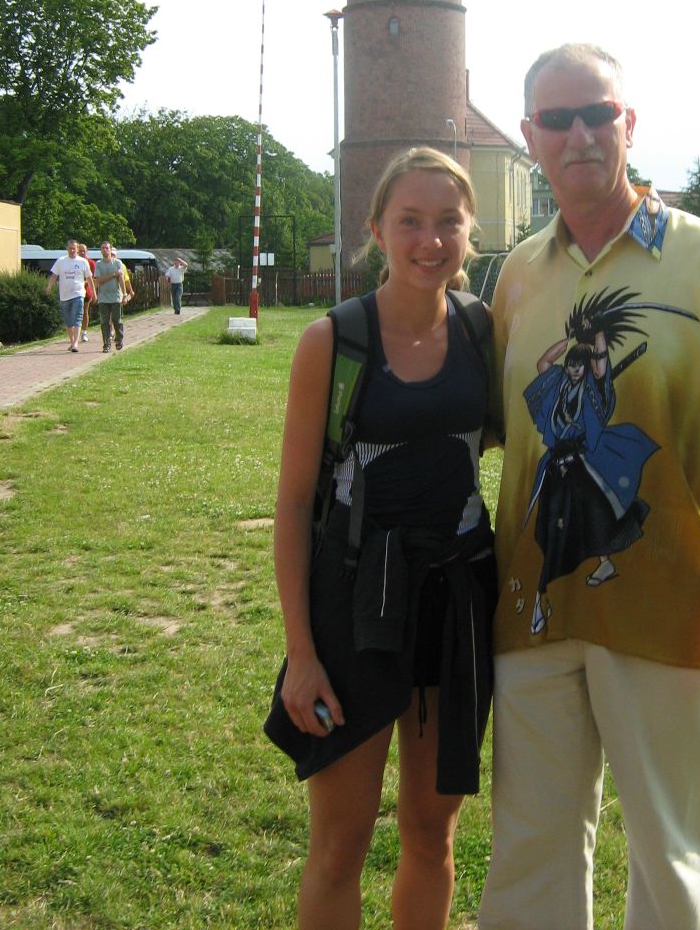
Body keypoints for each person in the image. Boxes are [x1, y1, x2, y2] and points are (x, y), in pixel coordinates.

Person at [477, 44, 700, 930]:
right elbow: (491, 428)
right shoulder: (517, 275)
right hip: (533, 613)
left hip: (674, 615)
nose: (580, 135)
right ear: (530, 138)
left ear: (629, 123)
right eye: (558, 120)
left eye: (598, 114)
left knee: (669, 853)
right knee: (531, 848)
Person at [267, 147, 496, 930]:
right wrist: (302, 655)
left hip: (454, 605)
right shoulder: (334, 341)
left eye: (448, 222)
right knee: (341, 845)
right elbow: (294, 505)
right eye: (409, 221)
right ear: (376, 231)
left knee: (432, 835)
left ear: (470, 231)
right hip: (354, 607)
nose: (430, 240)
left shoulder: (483, 331)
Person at [46, 239, 97, 353]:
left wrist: (94, 293)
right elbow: (54, 275)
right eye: (70, 248)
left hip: (78, 293)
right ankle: (72, 341)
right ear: (67, 249)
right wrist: (49, 286)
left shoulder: (83, 262)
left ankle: (75, 343)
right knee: (68, 321)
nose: (72, 250)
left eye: (74, 248)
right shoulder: (61, 261)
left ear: (77, 249)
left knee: (78, 317)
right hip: (64, 295)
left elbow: (89, 278)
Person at [94, 241, 126, 353]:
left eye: (107, 248)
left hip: (115, 297)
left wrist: (124, 294)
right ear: (101, 250)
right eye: (103, 248)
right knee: (104, 322)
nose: (105, 250)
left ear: (110, 249)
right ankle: (106, 343)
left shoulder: (117, 263)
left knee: (117, 320)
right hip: (103, 298)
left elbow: (121, 279)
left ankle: (119, 339)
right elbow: (98, 280)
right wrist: (113, 275)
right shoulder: (98, 264)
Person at [76, 243, 95, 343]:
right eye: (80, 251)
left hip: (86, 291)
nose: (82, 253)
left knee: (84, 311)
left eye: (84, 251)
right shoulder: (74, 262)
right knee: (75, 312)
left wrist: (84, 283)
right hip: (74, 291)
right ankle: (75, 333)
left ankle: (84, 333)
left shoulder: (90, 263)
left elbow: (92, 278)